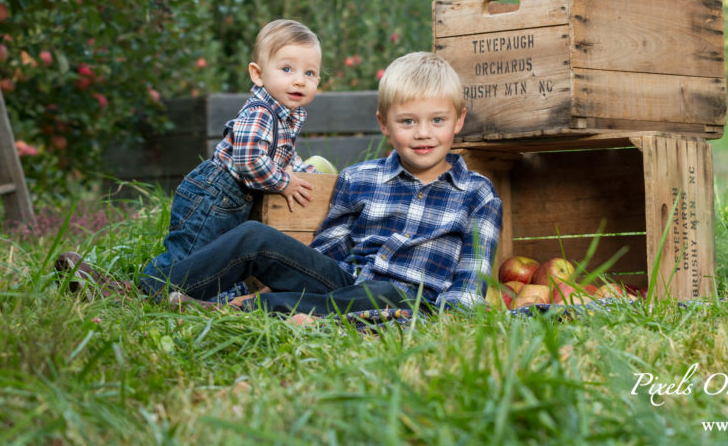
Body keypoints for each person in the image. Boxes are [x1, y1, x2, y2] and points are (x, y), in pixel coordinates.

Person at [138, 51, 503, 314]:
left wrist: (452, 318)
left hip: (409, 301)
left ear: (458, 121)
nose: (423, 134)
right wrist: (287, 272)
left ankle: (244, 309)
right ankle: (149, 291)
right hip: (344, 284)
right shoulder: (359, 178)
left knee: (385, 292)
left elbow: (472, 276)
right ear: (384, 124)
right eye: (407, 121)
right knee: (254, 236)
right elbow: (330, 248)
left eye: (437, 120)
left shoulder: (477, 194)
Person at [139, 18, 326, 298]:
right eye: (287, 69)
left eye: (309, 73)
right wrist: (285, 183)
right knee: (190, 257)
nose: (300, 79)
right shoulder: (261, 112)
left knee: (214, 260)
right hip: (213, 196)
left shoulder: (286, 116)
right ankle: (140, 289)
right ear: (258, 74)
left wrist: (307, 174)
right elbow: (249, 160)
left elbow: (282, 156)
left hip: (230, 200)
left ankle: (178, 295)